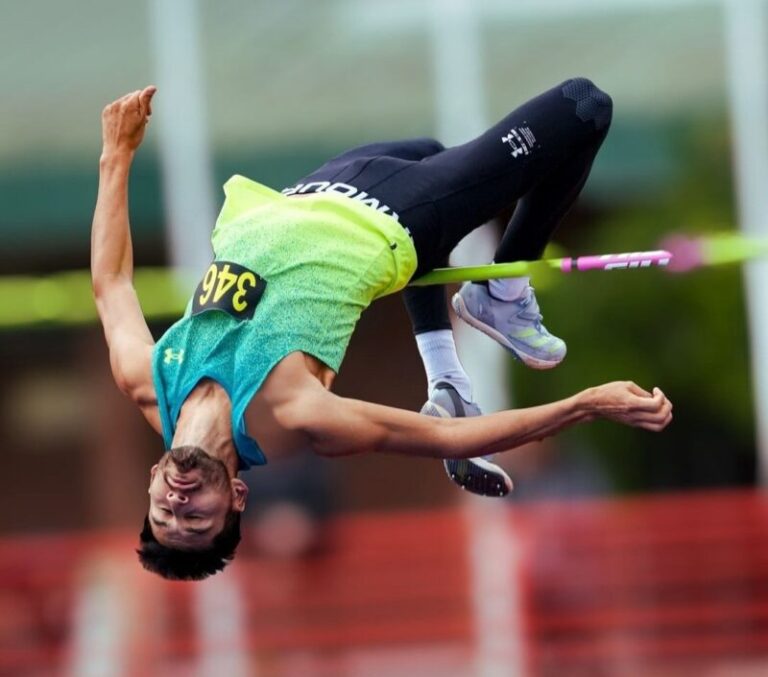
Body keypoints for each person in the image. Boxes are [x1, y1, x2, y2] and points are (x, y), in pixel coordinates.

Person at [91, 80, 672, 581]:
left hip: (310, 192)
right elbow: (448, 441)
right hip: (391, 216)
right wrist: (585, 404)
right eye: (196, 517)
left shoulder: (149, 381)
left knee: (430, 150)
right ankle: (503, 291)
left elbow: (112, 285)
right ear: (237, 497)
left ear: (153, 481)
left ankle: (445, 363)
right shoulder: (295, 413)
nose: (179, 503)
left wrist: (115, 157)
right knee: (582, 108)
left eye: (165, 512)